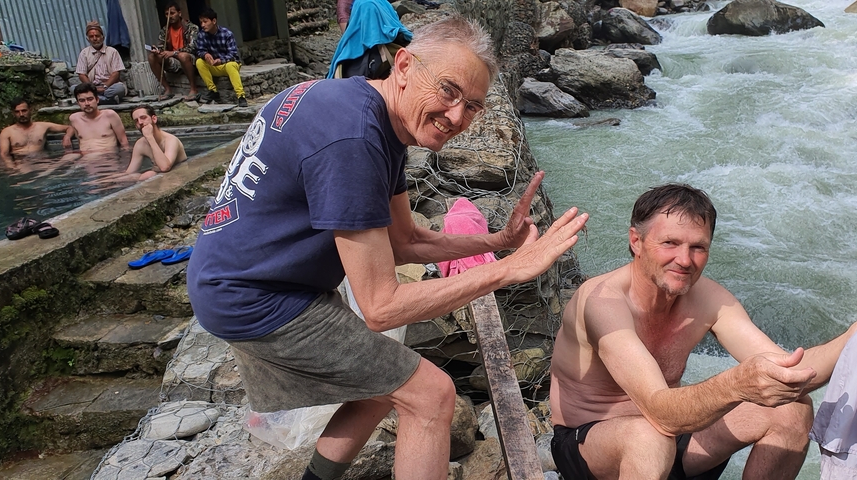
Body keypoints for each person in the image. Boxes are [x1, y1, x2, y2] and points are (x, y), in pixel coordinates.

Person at [187, 15, 588, 480]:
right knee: (431, 396)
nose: (456, 117)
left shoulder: (369, 113)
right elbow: (381, 306)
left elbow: (405, 240)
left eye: (473, 106)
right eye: (448, 90)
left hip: (242, 276)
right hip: (254, 296)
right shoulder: (354, 139)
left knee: (383, 383)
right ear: (403, 65)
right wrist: (509, 269)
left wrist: (497, 242)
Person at [548, 183, 857, 480]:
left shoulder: (707, 298)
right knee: (648, 437)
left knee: (792, 409)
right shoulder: (602, 301)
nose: (685, 259)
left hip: (672, 441)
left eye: (698, 247)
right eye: (670, 243)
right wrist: (735, 385)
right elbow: (661, 414)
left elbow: (791, 371)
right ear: (637, 241)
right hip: (594, 449)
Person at [0, 97, 74, 168]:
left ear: (30, 110)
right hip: (21, 163)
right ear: (13, 113)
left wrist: (67, 137)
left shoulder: (43, 126)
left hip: (42, 161)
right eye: (17, 112)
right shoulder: (7, 132)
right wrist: (12, 168)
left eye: (24, 111)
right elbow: (4, 155)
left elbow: (69, 128)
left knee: (72, 157)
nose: (21, 114)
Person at [147, 2, 200, 101]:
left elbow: (192, 47)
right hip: (173, 60)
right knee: (152, 57)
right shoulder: (165, 30)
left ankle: (193, 89)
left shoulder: (191, 28)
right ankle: (167, 89)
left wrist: (174, 52)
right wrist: (158, 51)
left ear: (179, 13)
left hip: (189, 59)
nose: (169, 17)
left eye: (172, 13)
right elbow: (161, 46)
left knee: (183, 56)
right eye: (167, 14)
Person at [194, 8, 247, 107]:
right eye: (201, 22)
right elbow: (199, 50)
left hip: (227, 64)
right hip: (214, 65)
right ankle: (213, 91)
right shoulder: (202, 34)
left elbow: (233, 54)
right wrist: (205, 54)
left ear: (214, 21)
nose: (202, 25)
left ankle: (241, 96)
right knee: (199, 62)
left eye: (205, 22)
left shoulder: (227, 34)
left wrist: (221, 60)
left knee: (231, 65)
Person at [126, 105, 186, 181]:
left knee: (150, 174)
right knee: (148, 175)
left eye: (143, 117)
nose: (140, 122)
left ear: (154, 119)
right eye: (136, 121)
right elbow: (130, 172)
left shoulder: (171, 140)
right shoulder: (140, 144)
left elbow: (165, 167)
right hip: (161, 178)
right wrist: (112, 180)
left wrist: (150, 137)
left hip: (180, 178)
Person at [74, 21, 127, 105]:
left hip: (109, 87)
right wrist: (92, 88)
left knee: (119, 88)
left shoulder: (112, 51)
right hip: (91, 87)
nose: (95, 39)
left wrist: (105, 87)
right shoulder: (84, 53)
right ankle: (108, 100)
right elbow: (82, 74)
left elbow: (116, 73)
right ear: (88, 39)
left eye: (97, 36)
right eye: (91, 37)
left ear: (103, 37)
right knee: (74, 88)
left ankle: (95, 99)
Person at [68, 83, 129, 154]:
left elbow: (123, 142)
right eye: (82, 101)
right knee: (67, 158)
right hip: (84, 157)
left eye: (90, 99)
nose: (87, 103)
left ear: (97, 100)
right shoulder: (74, 118)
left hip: (107, 157)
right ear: (78, 103)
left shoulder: (110, 115)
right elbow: (80, 142)